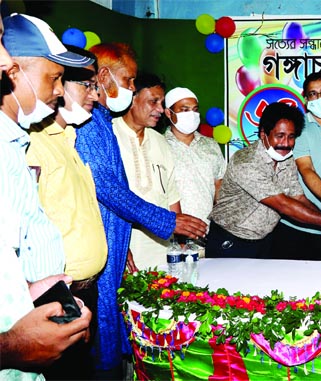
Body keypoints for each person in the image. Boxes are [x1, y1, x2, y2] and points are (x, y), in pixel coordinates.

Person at [74, 42, 206, 376]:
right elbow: (105, 186)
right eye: (129, 80)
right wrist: (166, 221)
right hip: (104, 255)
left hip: (119, 250)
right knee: (103, 345)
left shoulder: (100, 119)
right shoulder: (90, 123)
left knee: (122, 341)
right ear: (104, 76)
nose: (131, 89)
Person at [0, 12, 92, 380]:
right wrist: (9, 347)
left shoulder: (14, 143)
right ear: (17, 73)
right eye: (53, 77)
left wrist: (35, 289)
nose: (59, 90)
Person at [25, 44, 106, 379]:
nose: (96, 95)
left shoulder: (68, 138)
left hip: (86, 290)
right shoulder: (33, 143)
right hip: (56, 295)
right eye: (86, 84)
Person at [207, 102, 321, 258]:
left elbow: (298, 197)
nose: (286, 144)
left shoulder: (285, 159)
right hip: (230, 240)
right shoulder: (246, 163)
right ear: (263, 134)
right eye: (279, 136)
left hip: (263, 241)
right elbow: (284, 205)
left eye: (291, 137)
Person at [274, 72, 321, 261]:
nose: (320, 98)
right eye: (313, 94)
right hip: (297, 226)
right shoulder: (298, 131)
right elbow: (306, 169)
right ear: (305, 99)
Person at [113, 73, 180, 270]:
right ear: (132, 99)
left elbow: (172, 198)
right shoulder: (110, 135)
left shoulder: (161, 142)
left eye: (162, 102)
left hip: (162, 254)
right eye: (153, 101)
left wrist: (179, 244)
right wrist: (118, 247)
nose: (160, 109)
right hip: (124, 251)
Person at [164, 87, 226, 226]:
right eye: (185, 110)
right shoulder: (159, 145)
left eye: (195, 109)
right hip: (171, 235)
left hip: (207, 232)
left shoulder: (211, 145)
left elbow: (219, 185)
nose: (191, 114)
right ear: (169, 113)